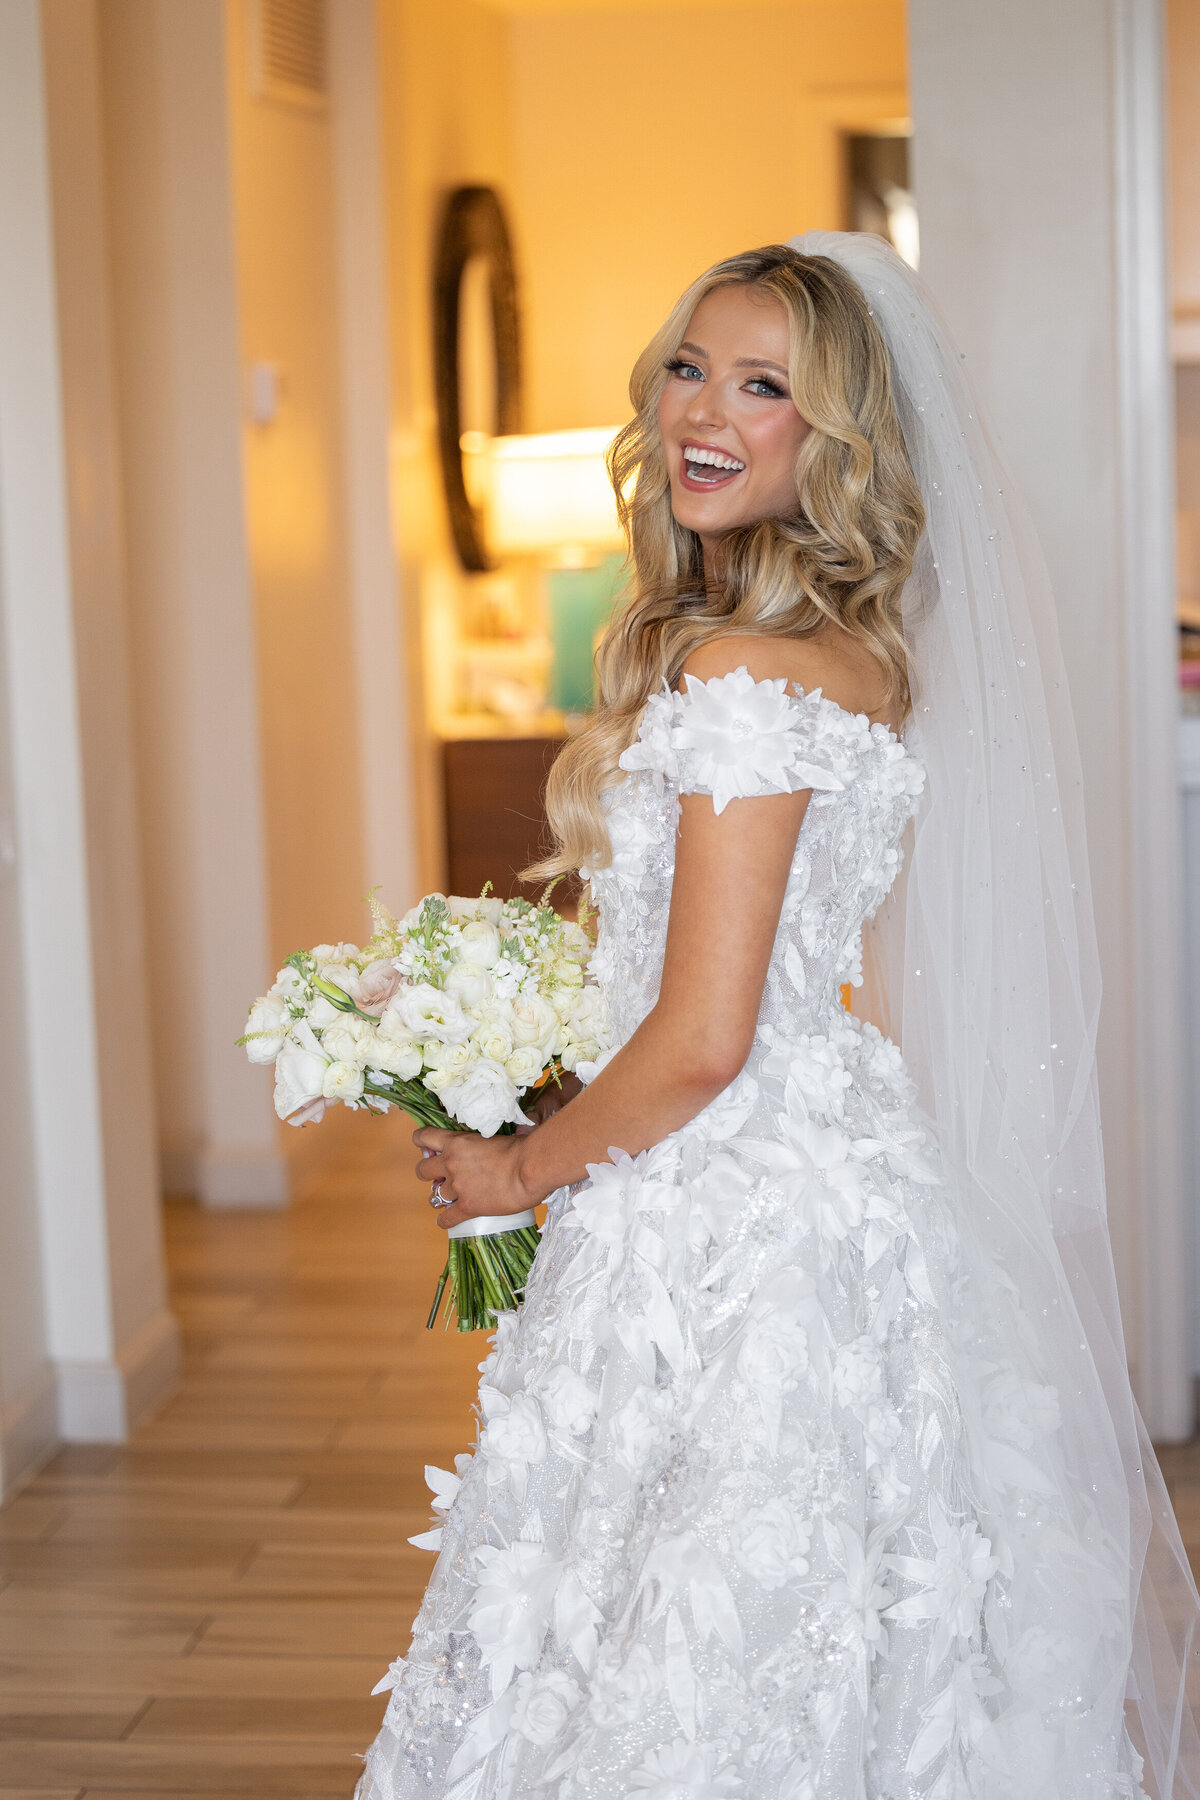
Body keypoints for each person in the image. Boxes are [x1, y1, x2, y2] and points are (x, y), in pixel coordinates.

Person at [356, 236, 1200, 1799]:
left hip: (724, 1212)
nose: (705, 411)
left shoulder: (742, 675)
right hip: (835, 1175)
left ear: (838, 441)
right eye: (689, 367)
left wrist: (516, 1175)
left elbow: (701, 1038)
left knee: (674, 1620)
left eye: (766, 389)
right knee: (831, 1609)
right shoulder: (859, 660)